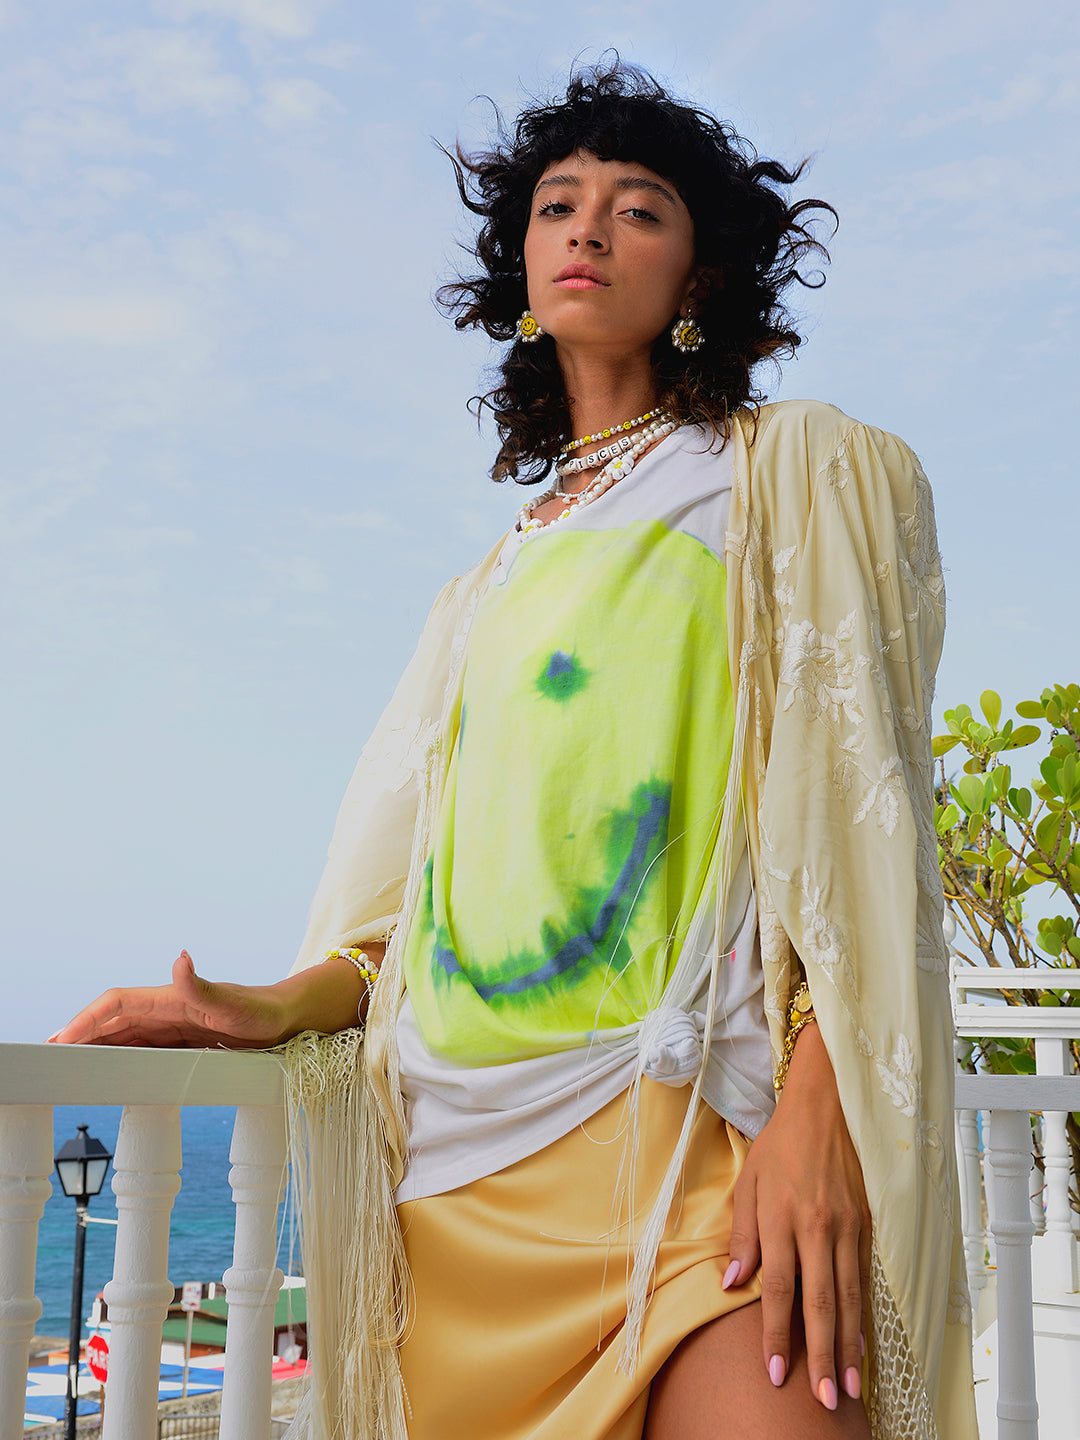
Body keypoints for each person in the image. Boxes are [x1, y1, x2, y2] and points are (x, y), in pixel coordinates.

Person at [52, 64, 978, 1440]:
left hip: (701, 1150)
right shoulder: (486, 585)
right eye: (558, 206)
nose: (588, 228)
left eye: (638, 208)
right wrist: (276, 1003)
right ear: (524, 270)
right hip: (459, 1182)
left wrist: (816, 1117)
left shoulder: (794, 474)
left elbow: (866, 829)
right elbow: (425, 900)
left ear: (701, 274)